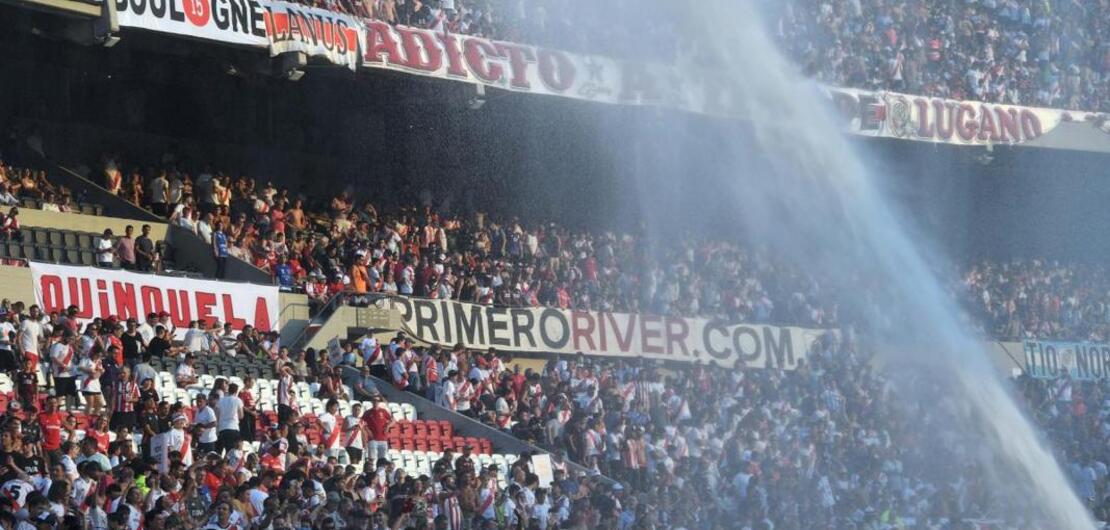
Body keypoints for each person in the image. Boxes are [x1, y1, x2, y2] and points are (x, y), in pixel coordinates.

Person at [361, 395, 393, 462]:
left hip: (383, 438)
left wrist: (388, 426)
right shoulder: (368, 412)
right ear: (372, 401)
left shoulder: (383, 411)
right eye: (374, 400)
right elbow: (362, 422)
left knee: (382, 459)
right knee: (371, 458)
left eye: (377, 400)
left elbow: (393, 420)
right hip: (373, 439)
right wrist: (367, 430)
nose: (376, 402)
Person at [215, 383, 244, 454]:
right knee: (233, 451)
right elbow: (241, 416)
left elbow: (217, 416)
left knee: (222, 450)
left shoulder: (221, 401)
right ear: (236, 391)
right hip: (233, 427)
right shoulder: (237, 400)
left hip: (223, 428)